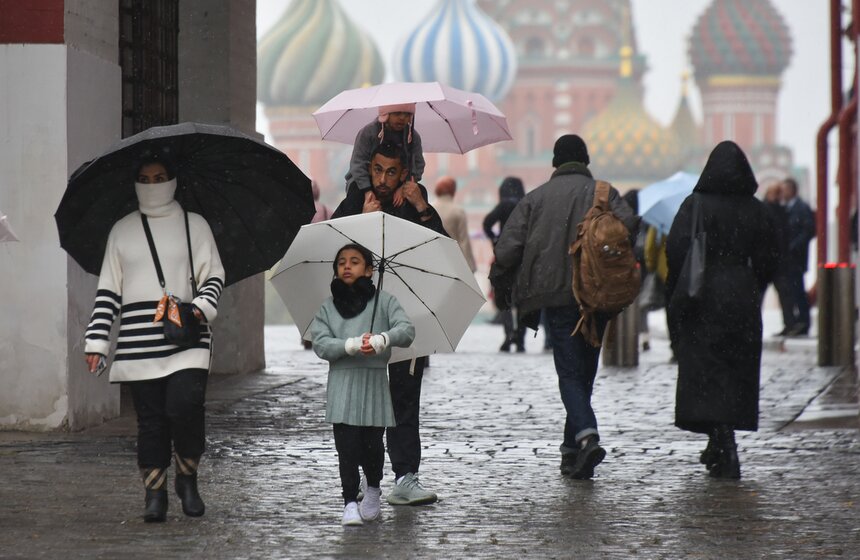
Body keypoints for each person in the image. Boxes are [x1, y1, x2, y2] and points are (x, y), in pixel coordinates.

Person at [84, 157, 225, 522]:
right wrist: (97, 341)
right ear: (135, 183)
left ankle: (188, 478)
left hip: (188, 336)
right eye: (145, 178)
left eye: (160, 177)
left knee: (185, 407)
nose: (153, 183)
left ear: (174, 180)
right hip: (136, 341)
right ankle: (155, 491)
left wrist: (200, 307)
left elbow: (214, 275)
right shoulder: (122, 230)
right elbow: (108, 292)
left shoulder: (195, 225)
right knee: (151, 420)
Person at [493, 135, 637, 480]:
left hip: (554, 295)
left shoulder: (536, 198)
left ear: (555, 163)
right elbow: (630, 226)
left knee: (571, 373)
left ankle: (585, 437)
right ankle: (571, 450)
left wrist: (502, 283)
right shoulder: (605, 193)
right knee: (584, 371)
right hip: (596, 294)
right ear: (585, 161)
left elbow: (506, 249)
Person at [332, 141, 446, 505]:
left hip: (407, 318)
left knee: (403, 401)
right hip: (361, 322)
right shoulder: (355, 201)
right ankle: (371, 481)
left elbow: (443, 250)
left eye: (391, 172)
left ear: (405, 173)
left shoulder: (416, 202)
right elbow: (336, 257)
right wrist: (362, 220)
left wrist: (421, 207)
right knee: (364, 402)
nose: (383, 179)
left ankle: (406, 475)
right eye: (377, 170)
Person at [665, 141, 778, 480]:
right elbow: (771, 257)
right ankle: (722, 439)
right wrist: (751, 284)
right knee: (735, 367)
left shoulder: (695, 205)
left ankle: (722, 441)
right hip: (742, 294)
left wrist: (677, 294)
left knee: (706, 368)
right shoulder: (756, 209)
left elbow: (677, 251)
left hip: (703, 294)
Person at [309, 243, 415, 526]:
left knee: (372, 446)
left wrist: (383, 339)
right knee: (347, 447)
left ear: (369, 270)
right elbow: (320, 343)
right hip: (343, 385)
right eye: (341, 261)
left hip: (373, 383)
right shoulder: (328, 307)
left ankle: (373, 488)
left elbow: (406, 330)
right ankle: (348, 502)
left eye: (355, 261)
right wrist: (349, 344)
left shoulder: (385, 302)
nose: (346, 266)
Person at [344, 104, 425, 201]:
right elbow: (358, 165)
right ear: (386, 113)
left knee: (420, 193)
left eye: (407, 114)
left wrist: (405, 186)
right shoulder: (368, 132)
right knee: (356, 192)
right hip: (363, 183)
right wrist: (367, 190)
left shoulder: (412, 136)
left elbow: (418, 165)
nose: (402, 118)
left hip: (398, 182)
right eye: (397, 113)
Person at [483, 176, 527, 352]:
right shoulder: (525, 204)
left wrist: (495, 240)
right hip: (523, 256)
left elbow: (487, 223)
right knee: (522, 299)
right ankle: (521, 338)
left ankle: (509, 334)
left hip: (505, 257)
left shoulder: (504, 206)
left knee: (505, 297)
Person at [774, 177, 815, 336]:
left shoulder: (801, 208)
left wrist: (793, 246)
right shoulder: (786, 209)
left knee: (797, 290)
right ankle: (795, 322)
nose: (782, 193)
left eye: (785, 190)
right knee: (791, 290)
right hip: (788, 258)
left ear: (792, 190)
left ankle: (803, 322)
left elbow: (808, 230)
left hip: (796, 258)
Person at [433, 176, 476, 272]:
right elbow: (464, 241)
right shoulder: (458, 211)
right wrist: (470, 267)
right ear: (453, 190)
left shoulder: (430, 209)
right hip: (454, 258)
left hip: (435, 257)